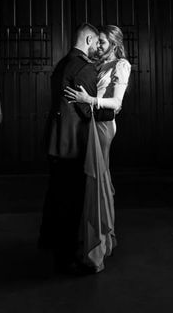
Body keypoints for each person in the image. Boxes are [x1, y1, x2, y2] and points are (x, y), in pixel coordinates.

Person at [64, 25, 131, 273]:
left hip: (103, 126)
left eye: (102, 42)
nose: (98, 46)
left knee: (98, 180)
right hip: (92, 123)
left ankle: (97, 249)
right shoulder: (99, 65)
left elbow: (117, 102)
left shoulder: (121, 65)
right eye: (98, 42)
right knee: (97, 180)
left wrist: (89, 100)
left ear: (114, 44)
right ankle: (98, 239)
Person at [39, 23, 99, 275]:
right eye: (96, 42)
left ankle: (50, 245)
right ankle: (67, 259)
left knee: (56, 196)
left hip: (55, 139)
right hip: (72, 142)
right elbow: (87, 109)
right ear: (87, 40)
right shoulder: (84, 67)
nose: (98, 48)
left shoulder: (63, 64)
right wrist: (110, 107)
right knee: (71, 201)